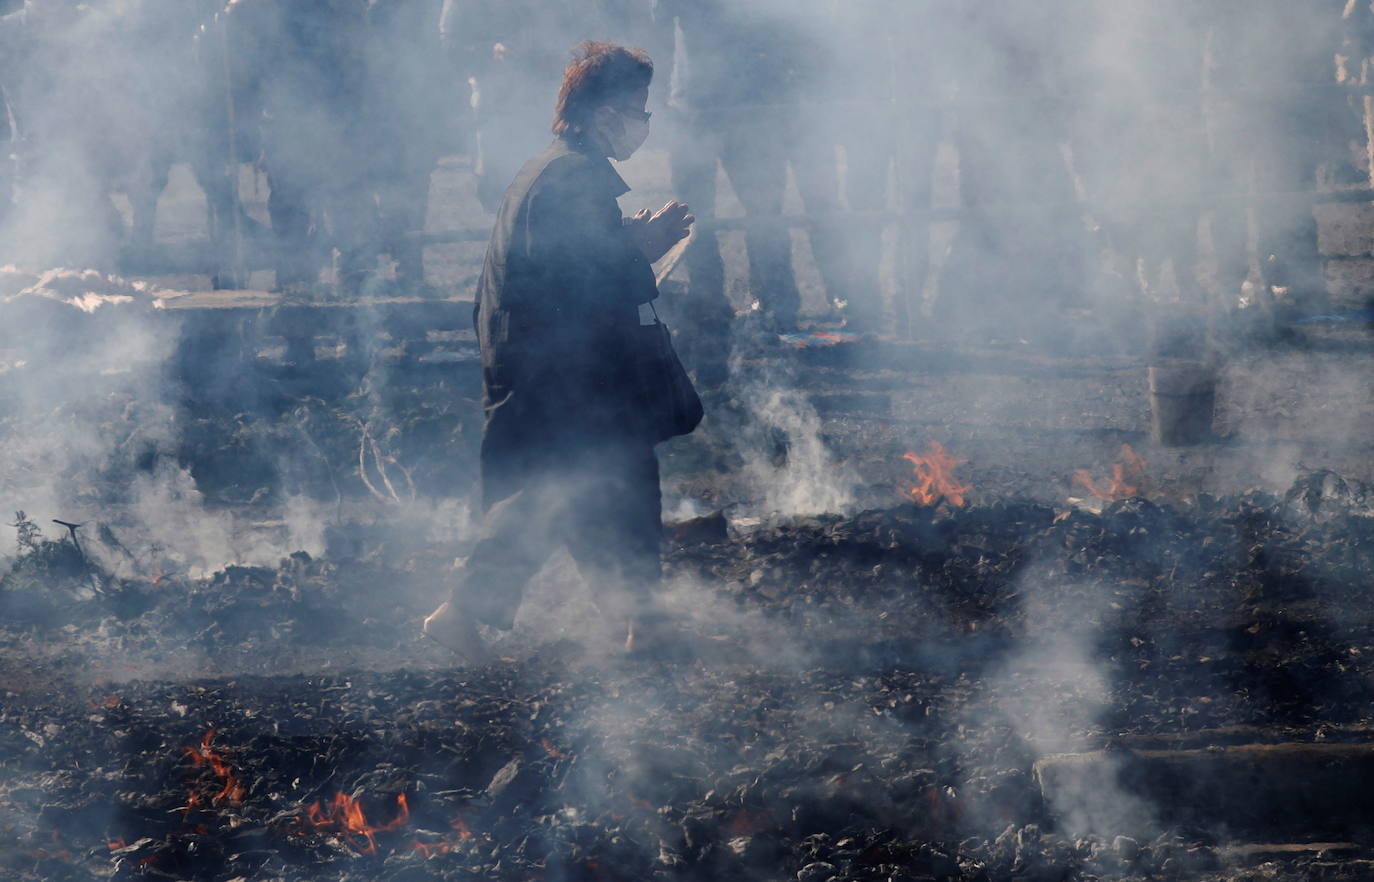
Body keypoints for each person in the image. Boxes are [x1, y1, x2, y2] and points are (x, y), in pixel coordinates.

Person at [424, 41, 694, 659]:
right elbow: (587, 283)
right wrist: (641, 249)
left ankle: (629, 621)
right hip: (563, 371)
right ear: (603, 114)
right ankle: (637, 623)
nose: (644, 124)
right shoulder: (571, 179)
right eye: (638, 109)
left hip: (546, 364)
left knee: (570, 493)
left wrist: (620, 240)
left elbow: (562, 266)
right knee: (599, 485)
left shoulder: (553, 170)